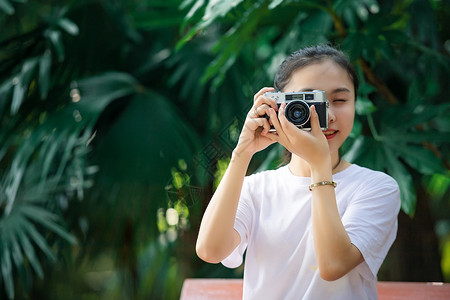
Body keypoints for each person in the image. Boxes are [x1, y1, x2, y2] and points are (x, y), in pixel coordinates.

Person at [195, 44, 401, 300]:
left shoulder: (377, 187)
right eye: (308, 102)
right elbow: (210, 250)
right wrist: (242, 153)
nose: (324, 115)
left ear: (356, 103)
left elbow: (333, 265)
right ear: (278, 106)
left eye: (339, 100)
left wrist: (319, 165)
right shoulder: (256, 189)